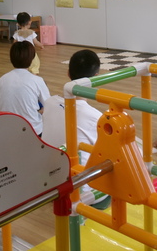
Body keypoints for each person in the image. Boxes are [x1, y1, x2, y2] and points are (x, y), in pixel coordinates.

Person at [41, 49, 110, 209]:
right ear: (95, 78)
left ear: (68, 73)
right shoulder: (95, 117)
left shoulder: (49, 102)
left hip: (49, 183)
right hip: (78, 191)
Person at [0, 41, 50, 136]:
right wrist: (39, 112)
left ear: (11, 58)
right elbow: (49, 106)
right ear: (32, 59)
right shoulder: (38, 80)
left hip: (7, 131)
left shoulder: (2, 79)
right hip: (33, 130)